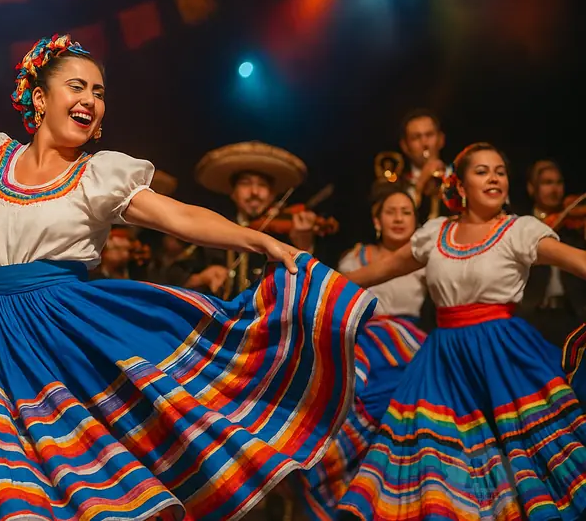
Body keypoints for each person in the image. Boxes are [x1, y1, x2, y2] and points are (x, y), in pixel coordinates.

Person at [0, 34, 376, 521]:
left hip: (65, 337)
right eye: (78, 86)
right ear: (40, 98)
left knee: (72, 479)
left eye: (99, 92)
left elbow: (179, 216)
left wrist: (262, 239)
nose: (91, 100)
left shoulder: (99, 177)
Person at [338, 142, 586, 520]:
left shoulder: (520, 230)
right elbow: (374, 273)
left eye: (500, 171)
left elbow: (578, 262)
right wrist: (313, 280)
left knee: (523, 460)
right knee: (440, 463)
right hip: (442, 363)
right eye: (482, 171)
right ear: (460, 184)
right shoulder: (435, 234)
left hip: (504, 358)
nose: (494, 178)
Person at [293, 183, 428, 519]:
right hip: (366, 345)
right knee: (343, 398)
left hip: (409, 350)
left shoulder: (426, 260)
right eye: (391, 211)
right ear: (377, 220)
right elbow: (338, 302)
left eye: (406, 212)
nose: (399, 218)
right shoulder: (357, 257)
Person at [192, 141, 320, 298]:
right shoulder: (214, 229)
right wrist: (202, 277)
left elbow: (312, 288)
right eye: (245, 184)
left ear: (273, 194)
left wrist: (304, 245)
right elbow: (177, 280)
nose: (254, 191)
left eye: (262, 185)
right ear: (233, 192)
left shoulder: (285, 232)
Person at [519, 160, 586, 347]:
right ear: (532, 188)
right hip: (532, 315)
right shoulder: (521, 225)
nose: (555, 189)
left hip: (573, 315)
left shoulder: (573, 226)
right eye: (547, 183)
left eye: (558, 182)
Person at [396, 109, 447, 221]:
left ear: (441, 139)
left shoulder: (459, 177)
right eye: (416, 137)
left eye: (429, 135)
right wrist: (421, 183)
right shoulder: (396, 186)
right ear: (405, 146)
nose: (424, 143)